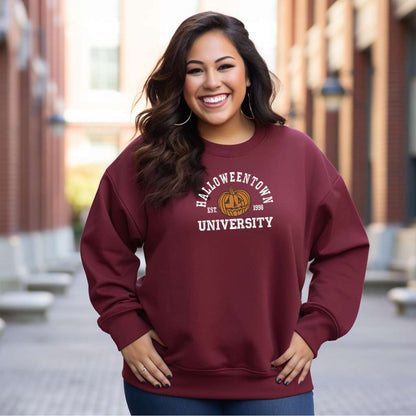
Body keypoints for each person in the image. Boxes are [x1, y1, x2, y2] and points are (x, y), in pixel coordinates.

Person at [80, 11, 369, 415]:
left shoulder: (297, 154)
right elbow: (104, 248)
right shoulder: (147, 158)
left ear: (248, 74)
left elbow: (345, 248)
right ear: (180, 83)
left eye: (225, 66)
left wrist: (315, 329)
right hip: (166, 382)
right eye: (195, 70)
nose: (211, 82)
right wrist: (126, 329)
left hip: (276, 379)